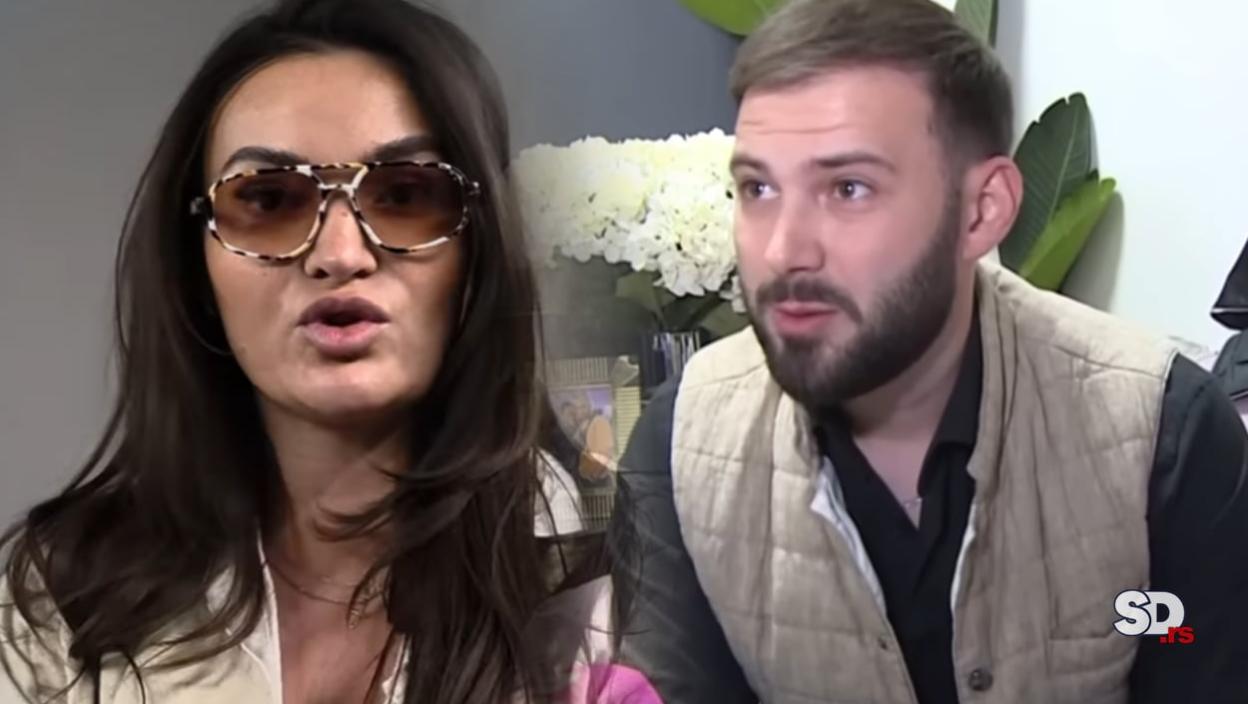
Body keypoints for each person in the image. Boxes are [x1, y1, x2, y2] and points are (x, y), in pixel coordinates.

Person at [0, 1, 651, 702]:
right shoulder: (64, 597)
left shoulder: (591, 595)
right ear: (196, 267)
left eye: (405, 193)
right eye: (268, 200)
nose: (340, 254)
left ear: (480, 251)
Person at [612, 0, 1248, 702]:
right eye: (757, 188)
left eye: (848, 188)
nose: (783, 249)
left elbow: (1187, 647)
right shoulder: (682, 446)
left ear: (982, 210)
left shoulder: (1163, 434)